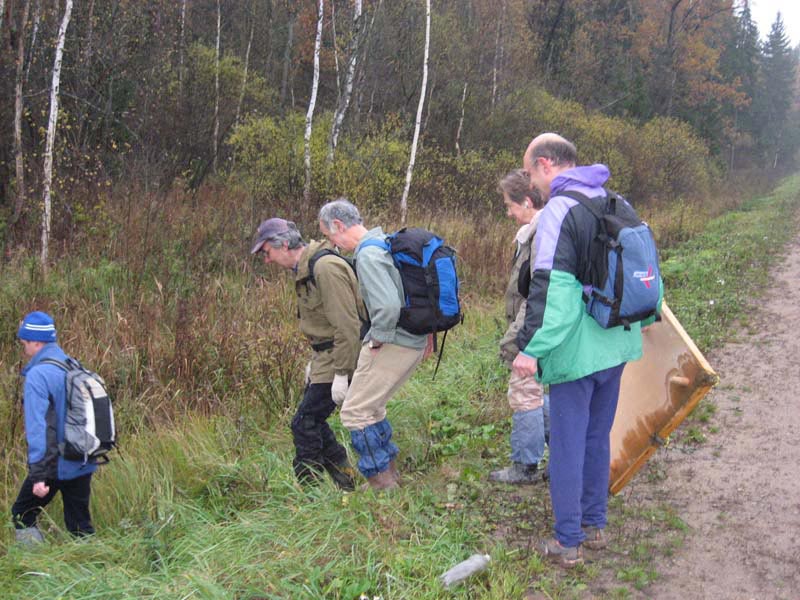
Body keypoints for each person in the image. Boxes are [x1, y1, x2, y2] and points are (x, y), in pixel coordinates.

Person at [513, 133, 662, 567]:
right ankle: (595, 525)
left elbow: (552, 291)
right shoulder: (617, 203)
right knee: (597, 438)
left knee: (566, 444)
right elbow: (645, 272)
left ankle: (567, 540)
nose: (529, 183)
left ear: (545, 164)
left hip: (576, 351)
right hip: (617, 342)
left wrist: (532, 348)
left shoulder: (560, 210)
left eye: (528, 172)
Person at [318, 199, 432, 490]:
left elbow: (388, 307)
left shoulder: (368, 254)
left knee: (355, 412)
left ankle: (380, 483)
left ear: (339, 226)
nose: (334, 244)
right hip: (412, 341)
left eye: (331, 236)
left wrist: (376, 340)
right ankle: (389, 475)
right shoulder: (384, 242)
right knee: (373, 408)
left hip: (394, 342)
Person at [251, 218, 366, 490]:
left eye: (267, 252)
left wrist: (341, 373)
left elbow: (348, 326)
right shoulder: (306, 270)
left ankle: (310, 493)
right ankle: (346, 478)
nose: (266, 261)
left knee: (304, 424)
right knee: (310, 420)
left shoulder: (324, 268)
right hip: (325, 358)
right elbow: (323, 325)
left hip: (340, 356)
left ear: (285, 244)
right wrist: (315, 363)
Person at [12, 311, 97, 544]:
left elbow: (38, 428)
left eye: (25, 343)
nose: (24, 348)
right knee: (79, 525)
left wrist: (39, 475)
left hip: (55, 463)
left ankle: (34, 571)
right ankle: (95, 570)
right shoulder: (71, 363)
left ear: (37, 342)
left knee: (22, 514)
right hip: (83, 457)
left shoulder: (38, 375)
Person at [490, 169, 550, 484]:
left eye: (510, 206)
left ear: (526, 202)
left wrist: (516, 340)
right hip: (534, 327)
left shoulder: (542, 235)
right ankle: (563, 454)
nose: (509, 212)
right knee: (538, 390)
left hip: (532, 329)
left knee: (524, 390)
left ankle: (525, 465)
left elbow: (538, 293)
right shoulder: (533, 233)